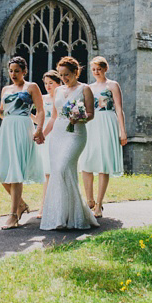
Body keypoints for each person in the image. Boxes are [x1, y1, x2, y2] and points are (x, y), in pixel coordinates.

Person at [39, 57, 100, 231]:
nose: (64, 78)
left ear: (75, 72)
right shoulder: (58, 91)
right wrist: (43, 134)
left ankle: (75, 214)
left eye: (67, 74)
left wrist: (78, 117)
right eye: (61, 75)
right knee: (59, 172)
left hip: (76, 134)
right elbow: (53, 117)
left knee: (63, 167)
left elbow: (91, 114)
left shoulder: (85, 89)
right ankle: (62, 216)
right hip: (58, 133)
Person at [0, 56, 45, 229]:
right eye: (11, 71)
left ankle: (13, 215)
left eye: (17, 71)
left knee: (16, 171)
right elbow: (2, 113)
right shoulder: (6, 89)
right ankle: (21, 204)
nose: (13, 74)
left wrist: (39, 129)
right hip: (7, 128)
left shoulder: (31, 87)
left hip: (23, 127)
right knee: (3, 172)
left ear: (24, 71)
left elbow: (40, 110)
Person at [80, 56, 127, 218]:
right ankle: (90, 200)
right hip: (91, 123)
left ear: (105, 69)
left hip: (107, 121)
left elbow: (119, 109)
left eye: (99, 69)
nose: (96, 72)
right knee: (86, 161)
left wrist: (122, 131)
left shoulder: (112, 85)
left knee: (103, 162)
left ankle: (99, 204)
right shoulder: (88, 87)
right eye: (93, 70)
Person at [34, 70, 61, 219]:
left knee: (55, 173)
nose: (48, 86)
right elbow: (39, 118)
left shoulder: (61, 97)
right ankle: (43, 207)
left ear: (58, 83)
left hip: (57, 135)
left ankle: (51, 206)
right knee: (47, 173)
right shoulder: (42, 99)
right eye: (45, 83)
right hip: (45, 136)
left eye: (51, 83)